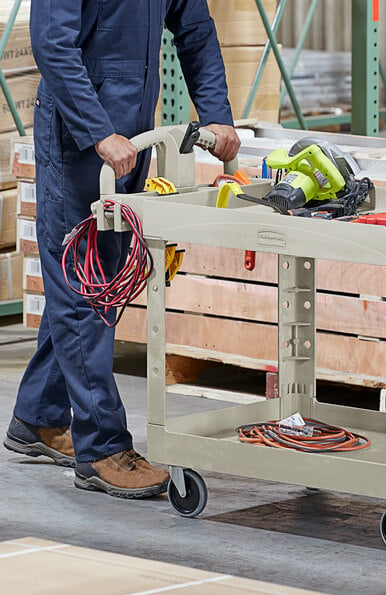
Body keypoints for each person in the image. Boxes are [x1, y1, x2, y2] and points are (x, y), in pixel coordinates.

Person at [3, 1, 240, 499]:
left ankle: (38, 417)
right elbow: (53, 44)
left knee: (95, 285)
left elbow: (194, 27)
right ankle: (102, 449)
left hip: (132, 135)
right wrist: (96, 131)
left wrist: (215, 113)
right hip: (79, 140)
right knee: (80, 288)